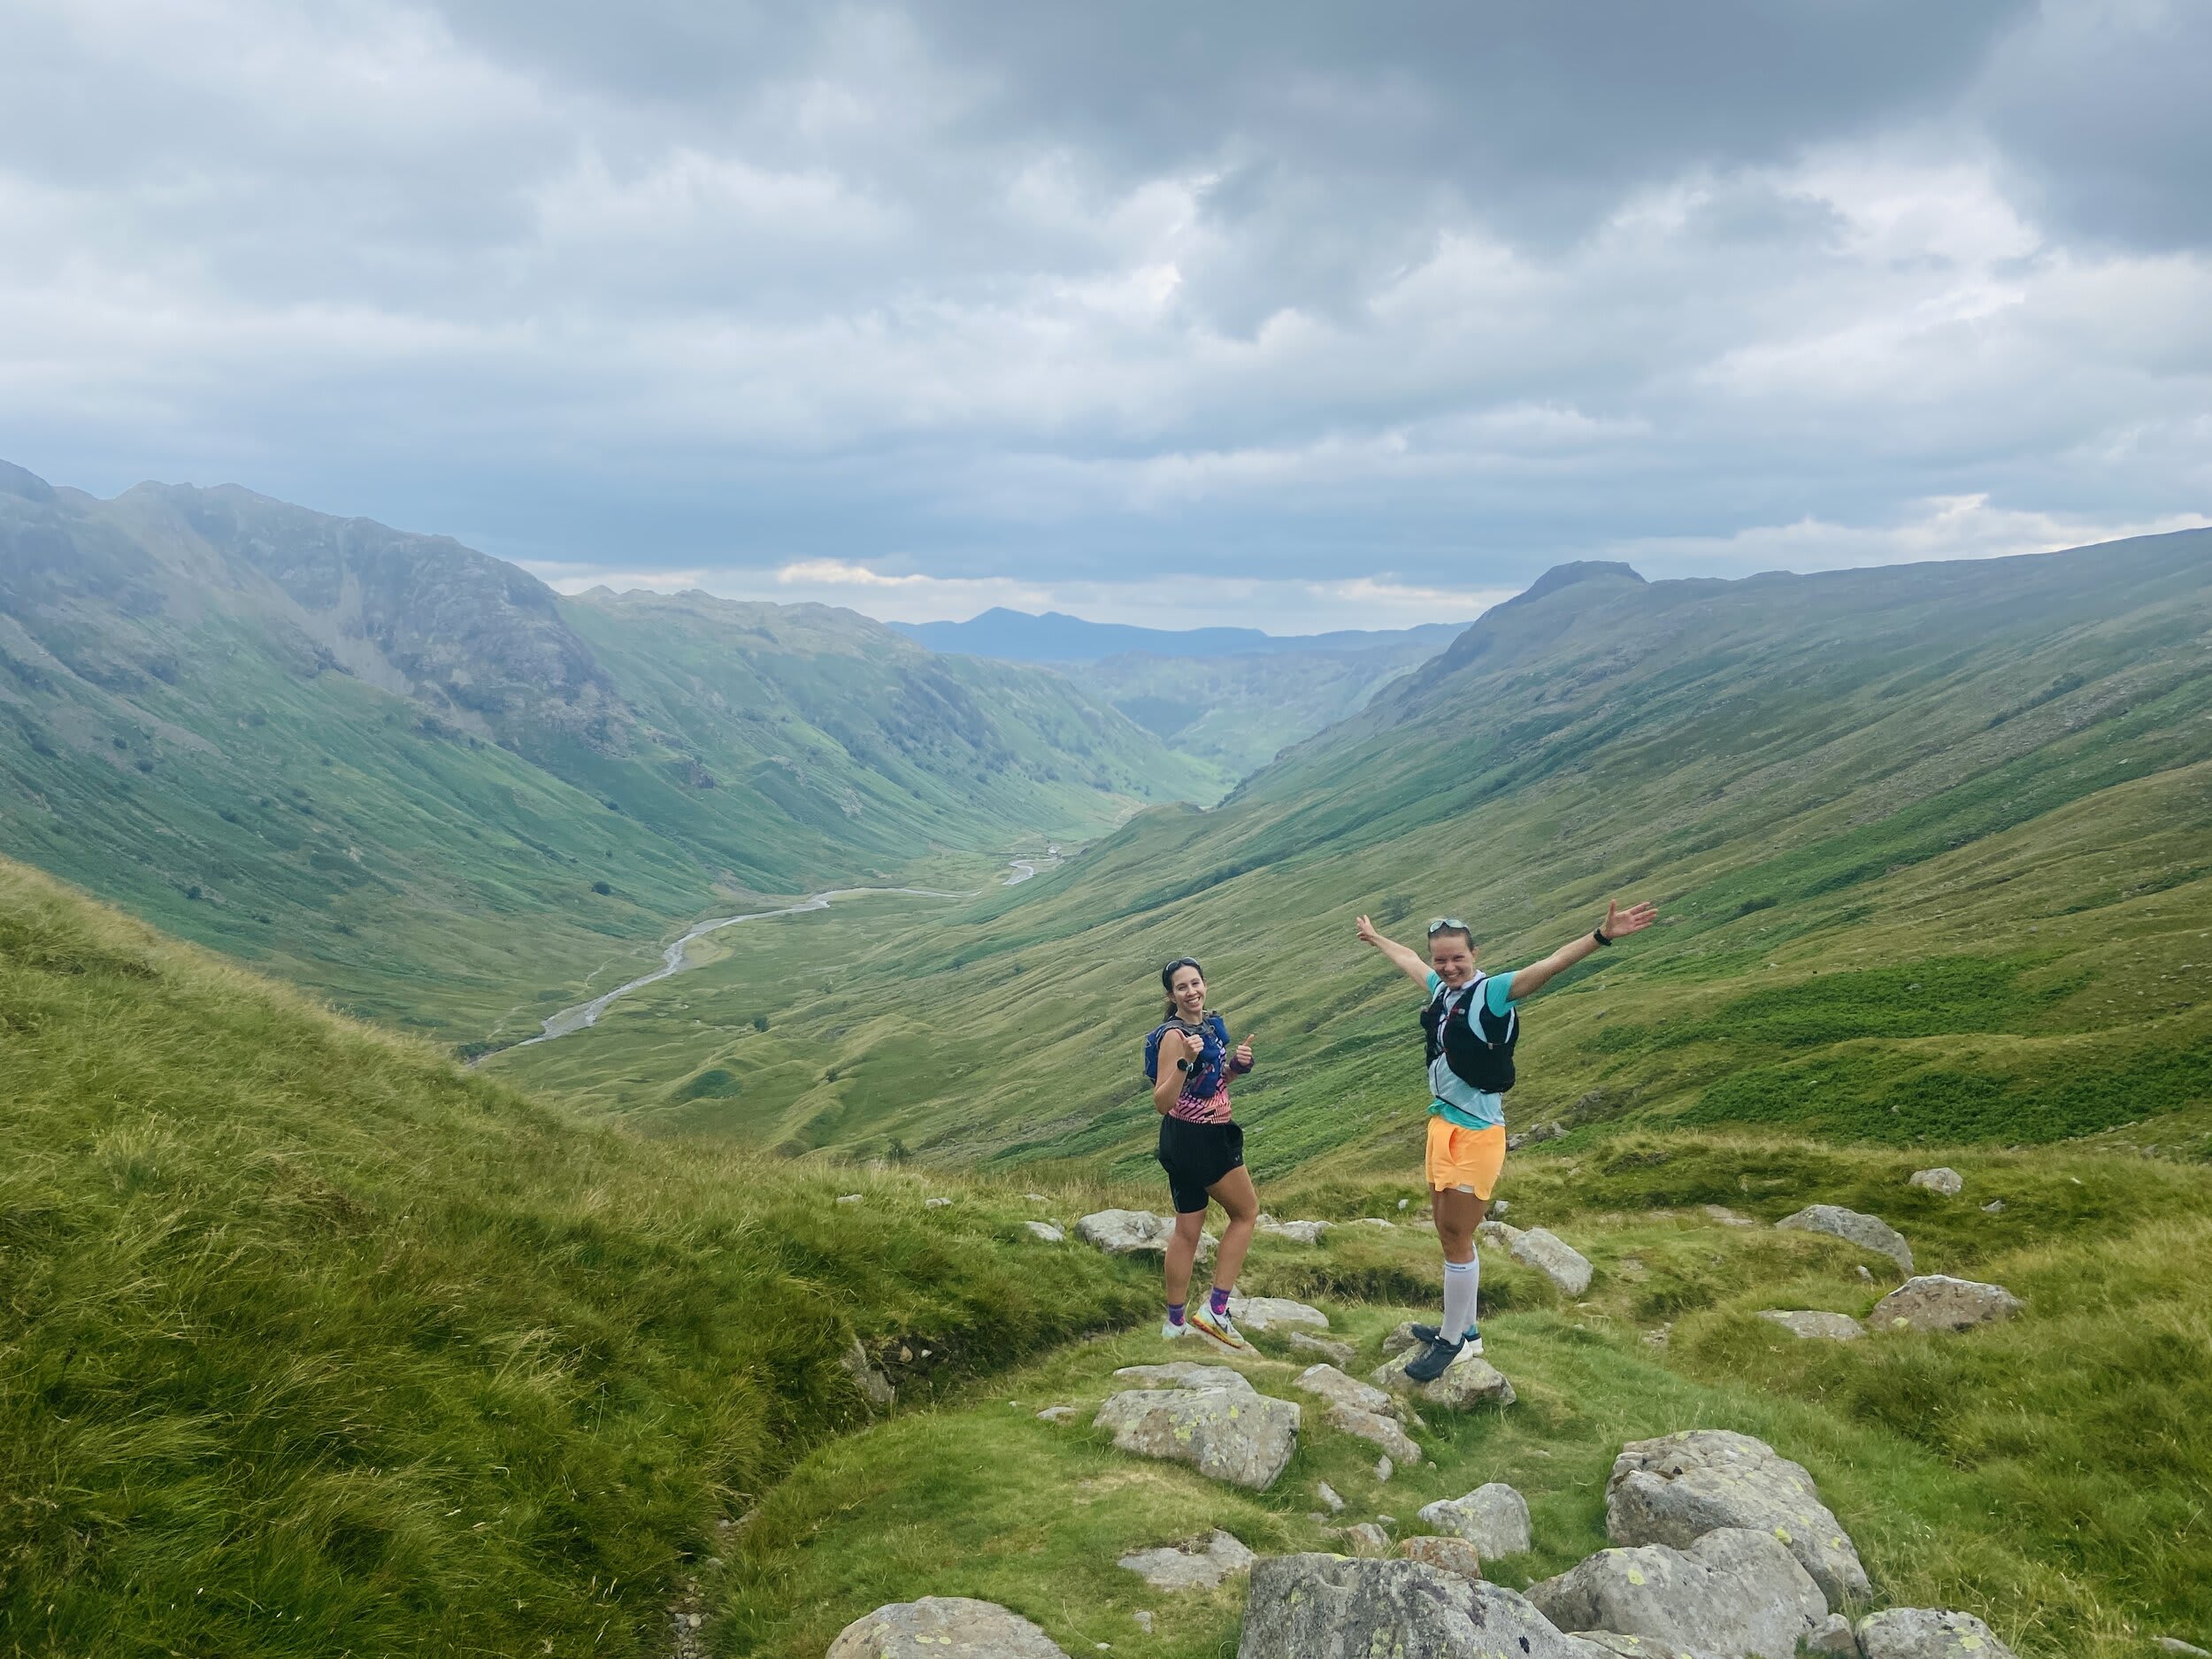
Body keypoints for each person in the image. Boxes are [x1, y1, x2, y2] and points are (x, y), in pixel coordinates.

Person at [1356, 900, 1657, 1381]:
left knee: (1456, 1235)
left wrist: (1601, 936)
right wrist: (1379, 940)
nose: (1448, 967)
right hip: (1443, 1126)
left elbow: (1551, 965)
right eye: (1441, 959)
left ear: (1475, 953)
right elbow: (1409, 961)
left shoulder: (1493, 993)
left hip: (1477, 1135)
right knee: (1447, 1231)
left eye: (1457, 957)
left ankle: (1455, 1344)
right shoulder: (1440, 990)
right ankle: (1465, 1328)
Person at [1142, 956, 1259, 1351]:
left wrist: (1236, 1069)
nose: (1191, 991)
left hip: (1182, 1139)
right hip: (1202, 1138)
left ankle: (1175, 1324)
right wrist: (1184, 1061)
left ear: (1205, 984)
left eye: (1196, 983)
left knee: (1187, 1231)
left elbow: (1210, 1085)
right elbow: (1162, 1099)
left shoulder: (1206, 1026)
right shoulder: (1175, 1036)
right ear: (1171, 995)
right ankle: (1217, 1310)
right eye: (1182, 987)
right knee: (1245, 1214)